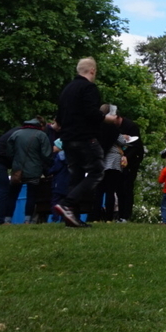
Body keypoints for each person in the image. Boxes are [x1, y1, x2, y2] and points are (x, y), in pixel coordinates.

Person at [55, 57, 120, 228]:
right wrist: (108, 118)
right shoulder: (89, 88)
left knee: (75, 176)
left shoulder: (67, 90)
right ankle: (67, 203)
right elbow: (91, 113)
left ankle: (72, 218)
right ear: (92, 70)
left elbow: (59, 118)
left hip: (67, 139)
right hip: (85, 137)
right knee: (97, 172)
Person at [6, 117, 53, 223]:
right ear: (39, 126)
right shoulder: (41, 135)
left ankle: (7, 219)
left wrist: (15, 162)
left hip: (17, 170)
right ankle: (27, 219)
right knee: (31, 196)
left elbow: (9, 152)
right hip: (34, 170)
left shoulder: (16, 134)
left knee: (13, 195)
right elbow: (46, 155)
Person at [118, 118, 145, 222]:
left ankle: (126, 215)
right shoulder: (113, 128)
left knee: (127, 187)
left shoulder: (131, 127)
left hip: (132, 161)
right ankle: (121, 215)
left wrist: (127, 157)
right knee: (119, 189)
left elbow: (136, 146)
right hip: (119, 161)